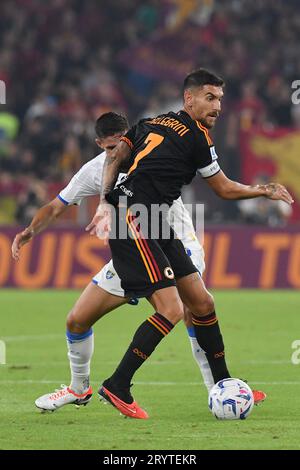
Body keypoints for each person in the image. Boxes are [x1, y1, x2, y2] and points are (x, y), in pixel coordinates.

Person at [87, 69, 293, 419]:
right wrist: (263, 190)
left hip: (153, 219)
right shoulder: (198, 138)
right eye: (210, 98)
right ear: (189, 98)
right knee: (171, 309)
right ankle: (117, 384)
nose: (217, 107)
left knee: (202, 302)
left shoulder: (150, 122)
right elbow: (224, 189)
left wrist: (106, 198)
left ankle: (224, 384)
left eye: (220, 100)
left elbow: (115, 156)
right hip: (134, 217)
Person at [11, 112, 214, 411]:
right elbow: (56, 206)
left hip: (175, 247)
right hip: (132, 253)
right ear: (98, 145)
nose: (116, 153)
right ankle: (79, 389)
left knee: (189, 311)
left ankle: (217, 390)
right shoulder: (95, 170)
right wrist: (29, 232)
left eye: (120, 145)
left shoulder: (156, 153)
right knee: (76, 320)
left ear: (130, 136)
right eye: (108, 149)